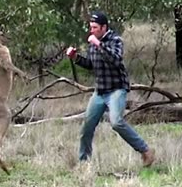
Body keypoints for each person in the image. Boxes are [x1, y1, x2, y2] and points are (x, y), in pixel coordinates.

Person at [66, 11, 155, 167]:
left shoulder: (115, 40)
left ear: (103, 27)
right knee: (87, 126)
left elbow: (115, 59)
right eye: (90, 27)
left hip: (116, 89)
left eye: (94, 27)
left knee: (116, 122)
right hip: (100, 91)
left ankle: (145, 151)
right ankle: (83, 162)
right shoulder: (93, 42)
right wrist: (76, 58)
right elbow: (91, 65)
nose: (91, 30)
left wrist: (98, 44)